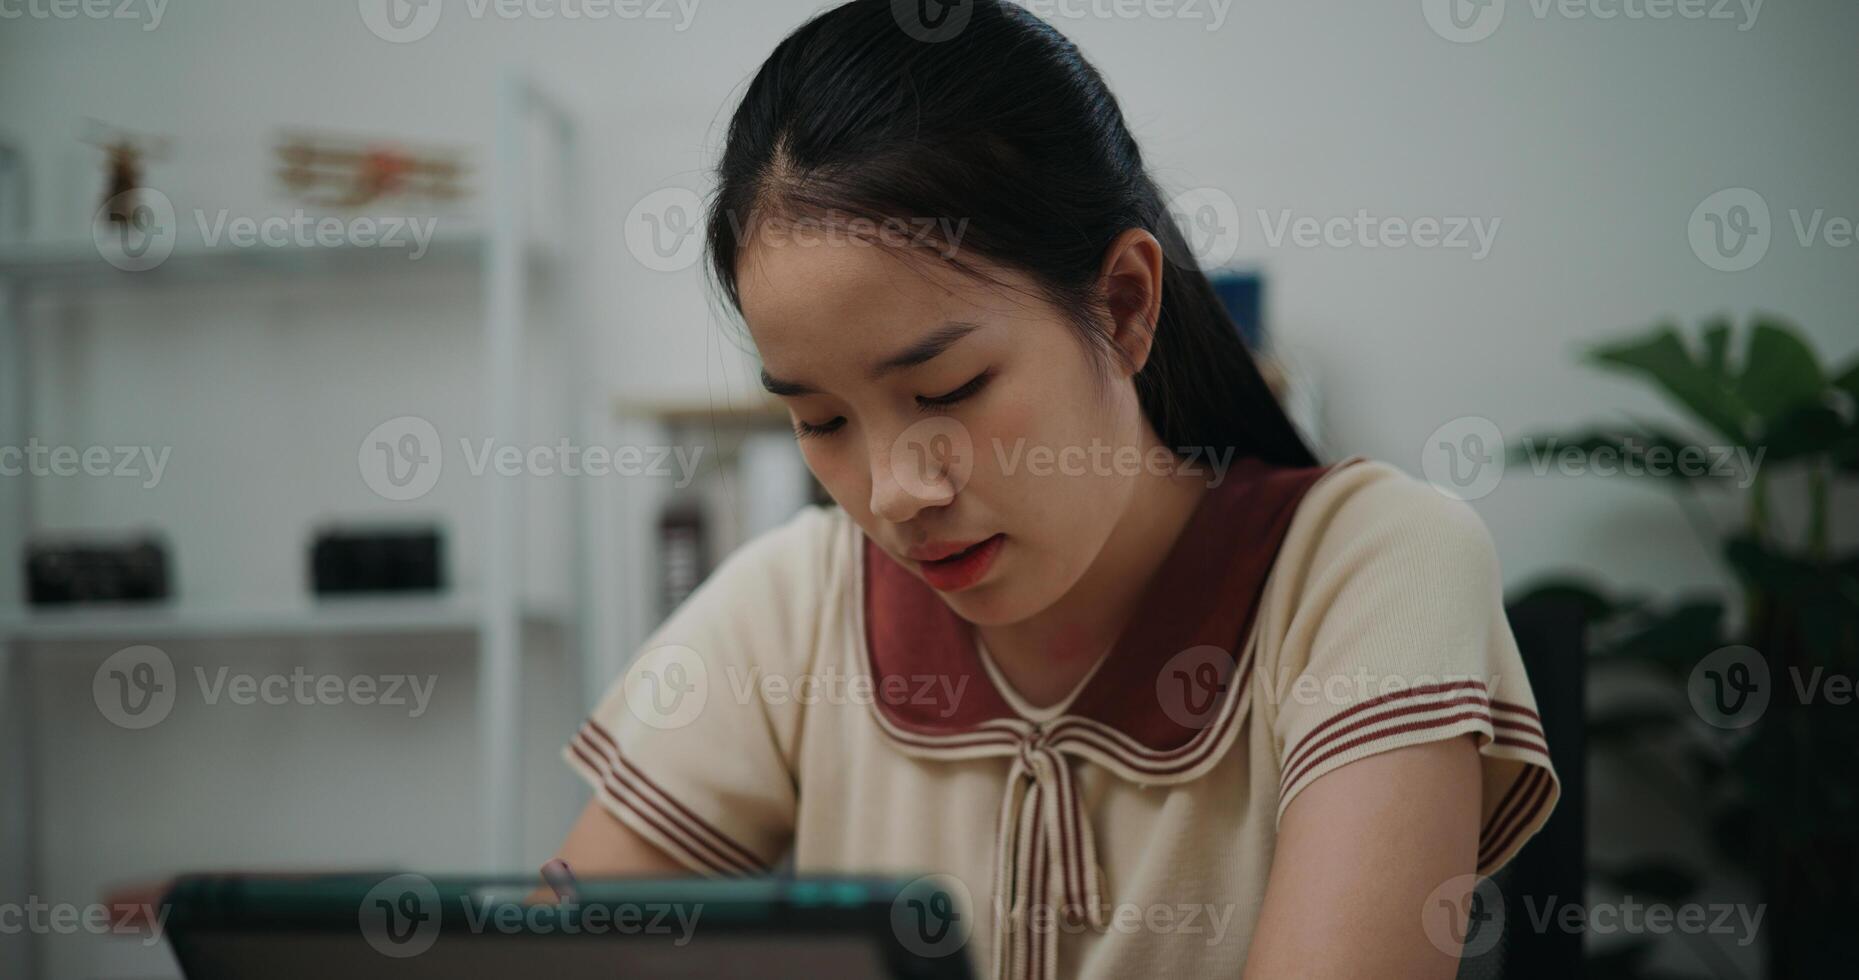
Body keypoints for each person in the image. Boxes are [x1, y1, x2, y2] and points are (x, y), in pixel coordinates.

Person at [548, 2, 1558, 977]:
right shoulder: (796, 610)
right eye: (820, 420)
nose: (895, 493)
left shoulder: (1366, 568)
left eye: (947, 390)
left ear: (1122, 304)